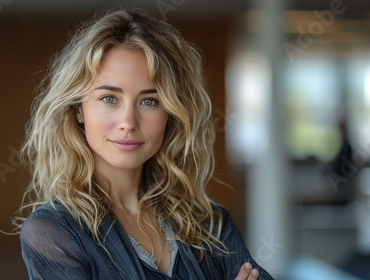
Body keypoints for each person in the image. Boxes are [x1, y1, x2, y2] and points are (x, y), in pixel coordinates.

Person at [16, 9, 274, 280]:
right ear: (79, 109)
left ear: (171, 114)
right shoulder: (54, 233)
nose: (128, 122)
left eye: (149, 101)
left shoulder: (211, 224)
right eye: (109, 99)